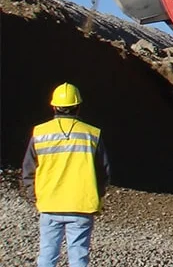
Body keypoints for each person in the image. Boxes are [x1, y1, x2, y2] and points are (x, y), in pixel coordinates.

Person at [20, 83, 111, 267]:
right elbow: (104, 171)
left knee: (47, 255)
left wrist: (36, 196)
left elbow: (28, 170)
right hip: (81, 206)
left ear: (54, 106)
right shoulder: (92, 134)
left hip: (49, 204)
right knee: (78, 257)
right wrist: (98, 196)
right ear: (78, 106)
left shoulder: (39, 133)